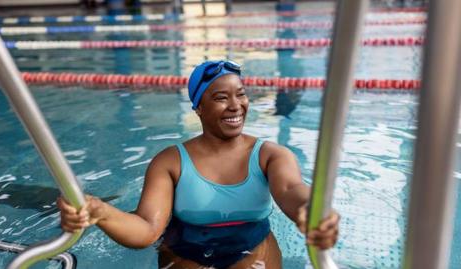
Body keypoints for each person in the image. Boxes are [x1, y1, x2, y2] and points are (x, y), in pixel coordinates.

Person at [57, 60, 340, 269]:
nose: (235, 105)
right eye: (220, 98)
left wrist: (313, 209)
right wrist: (102, 213)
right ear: (198, 108)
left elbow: (292, 189)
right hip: (185, 250)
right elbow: (146, 229)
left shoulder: (271, 155)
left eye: (240, 94)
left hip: (253, 247)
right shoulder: (170, 162)